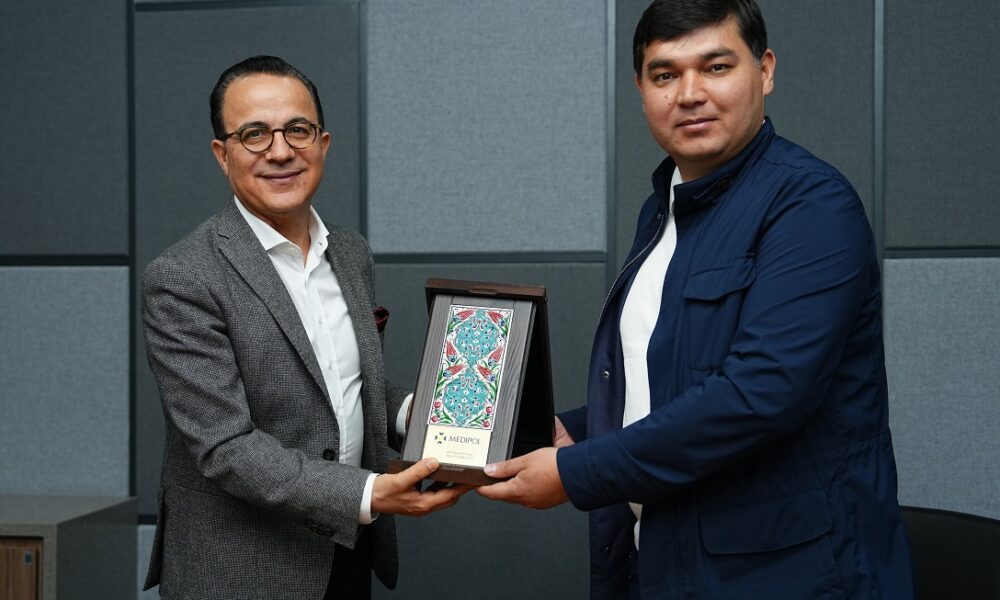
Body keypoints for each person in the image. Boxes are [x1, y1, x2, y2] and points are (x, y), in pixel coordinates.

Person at [477, 1, 915, 598]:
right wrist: (576, 429)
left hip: (787, 577)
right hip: (666, 561)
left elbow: (759, 393)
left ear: (765, 71)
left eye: (715, 67)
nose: (689, 94)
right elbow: (674, 376)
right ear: (641, 89)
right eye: (665, 74)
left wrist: (578, 472)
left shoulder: (811, 205)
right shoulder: (664, 209)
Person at [141, 55, 467, 599]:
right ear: (222, 154)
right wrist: (370, 493)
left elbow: (346, 384)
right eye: (254, 134)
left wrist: (430, 414)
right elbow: (225, 446)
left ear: (323, 143)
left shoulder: (350, 252)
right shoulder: (182, 277)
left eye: (298, 129)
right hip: (243, 570)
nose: (280, 151)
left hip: (348, 547)